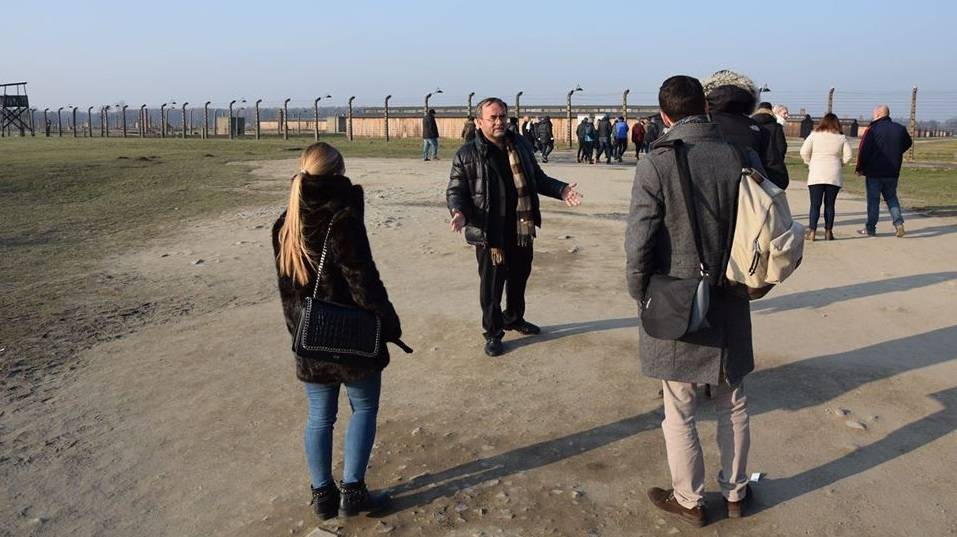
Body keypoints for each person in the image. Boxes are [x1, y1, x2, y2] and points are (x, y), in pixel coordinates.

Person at [625, 75, 756, 527]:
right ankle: (737, 492)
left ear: (664, 116)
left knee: (678, 406)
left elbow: (639, 239)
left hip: (677, 296)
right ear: (704, 106)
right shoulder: (738, 153)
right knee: (733, 399)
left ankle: (690, 500)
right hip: (731, 292)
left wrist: (639, 291)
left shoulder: (657, 162)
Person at [272, 142, 402, 520]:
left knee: (318, 417)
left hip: (310, 337)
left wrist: (299, 334)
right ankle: (354, 491)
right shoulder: (342, 217)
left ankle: (322, 496)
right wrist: (388, 322)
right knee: (363, 408)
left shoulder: (286, 222)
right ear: (339, 172)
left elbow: (288, 292)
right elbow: (363, 282)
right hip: (353, 337)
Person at [447, 97, 583, 356]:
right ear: (479, 122)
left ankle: (514, 317)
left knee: (519, 278)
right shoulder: (467, 154)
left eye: (502, 116)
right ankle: (493, 332)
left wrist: (562, 190)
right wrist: (459, 212)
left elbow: (537, 178)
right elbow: (456, 191)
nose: (499, 122)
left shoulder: (519, 144)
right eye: (493, 118)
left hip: (521, 228)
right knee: (492, 285)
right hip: (491, 232)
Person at [702, 70, 787, 189]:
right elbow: (779, 179)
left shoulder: (700, 126)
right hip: (750, 202)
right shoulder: (759, 130)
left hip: (707, 199)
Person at [856, 105, 912, 237]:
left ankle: (870, 228)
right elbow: (908, 143)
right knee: (891, 198)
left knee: (873, 201)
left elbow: (864, 150)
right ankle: (898, 224)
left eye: (874, 114)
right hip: (892, 171)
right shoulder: (900, 129)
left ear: (879, 114)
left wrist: (860, 168)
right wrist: (896, 152)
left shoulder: (872, 129)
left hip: (874, 172)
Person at [800, 113, 852, 241]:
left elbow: (803, 152)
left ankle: (812, 231)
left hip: (816, 172)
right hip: (833, 173)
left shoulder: (813, 135)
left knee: (815, 204)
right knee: (830, 205)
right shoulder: (841, 138)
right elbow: (849, 155)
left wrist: (809, 162)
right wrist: (841, 163)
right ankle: (828, 232)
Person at [752, 101, 789, 188]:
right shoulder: (776, 127)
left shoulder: (751, 125)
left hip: (755, 166)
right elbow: (781, 147)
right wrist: (779, 160)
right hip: (773, 167)